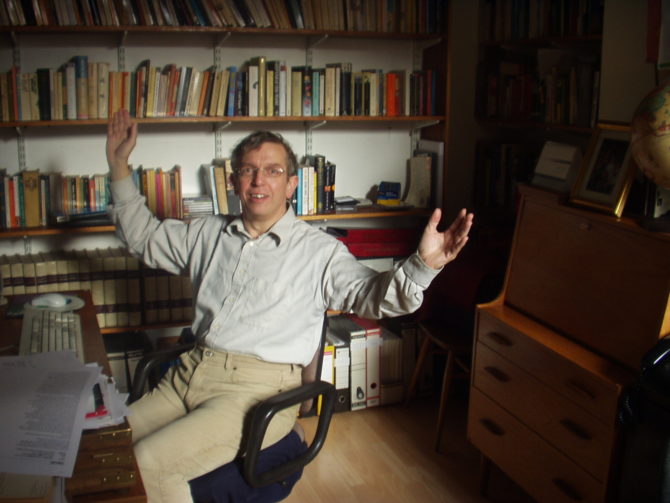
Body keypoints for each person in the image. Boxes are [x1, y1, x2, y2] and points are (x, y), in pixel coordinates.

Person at [106, 108, 473, 502]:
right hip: (189, 372)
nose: (259, 180)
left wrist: (421, 267)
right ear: (233, 182)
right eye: (248, 170)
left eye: (273, 171)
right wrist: (118, 164)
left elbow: (374, 295)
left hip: (255, 393)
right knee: (105, 446)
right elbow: (143, 236)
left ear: (292, 184)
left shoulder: (319, 253)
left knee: (150, 462)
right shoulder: (206, 233)